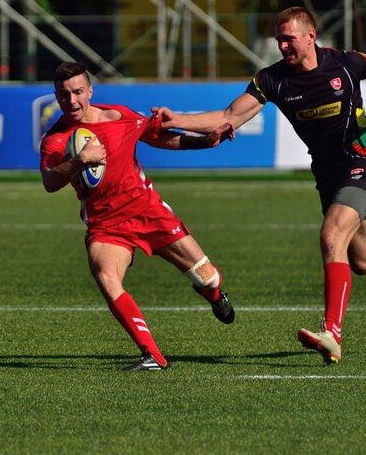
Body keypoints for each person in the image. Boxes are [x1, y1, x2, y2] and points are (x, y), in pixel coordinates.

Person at [154, 6, 366, 364]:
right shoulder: (272, 80)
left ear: (310, 36)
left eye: (289, 38)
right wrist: (179, 119)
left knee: (331, 236)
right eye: (279, 39)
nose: (283, 46)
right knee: (365, 258)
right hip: (328, 176)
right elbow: (227, 117)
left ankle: (332, 333)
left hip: (362, 164)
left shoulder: (344, 62)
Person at [40, 61, 236, 371]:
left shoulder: (119, 116)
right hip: (106, 225)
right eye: (64, 95)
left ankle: (213, 293)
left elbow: (157, 136)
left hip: (148, 211)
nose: (72, 101)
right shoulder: (56, 139)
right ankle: (152, 355)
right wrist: (79, 161)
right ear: (56, 96)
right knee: (106, 277)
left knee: (206, 275)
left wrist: (205, 141)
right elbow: (50, 181)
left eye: (78, 92)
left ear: (90, 91)